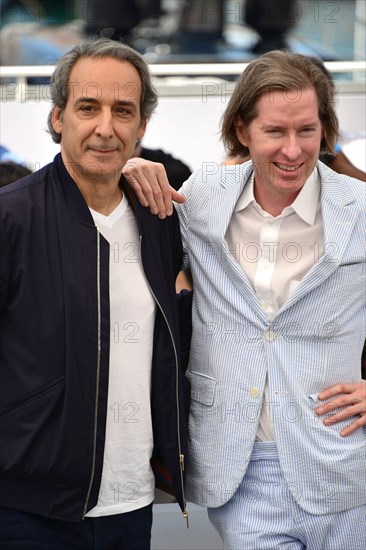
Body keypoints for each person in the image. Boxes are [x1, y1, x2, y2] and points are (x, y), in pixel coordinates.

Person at [124, 51, 366, 549]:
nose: (294, 150)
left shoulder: (359, 209)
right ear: (242, 129)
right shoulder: (204, 197)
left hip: (344, 465)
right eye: (276, 131)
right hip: (240, 467)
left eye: (308, 130)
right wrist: (126, 168)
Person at [0, 38, 190, 549]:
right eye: (88, 107)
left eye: (123, 111)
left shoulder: (161, 220)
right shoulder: (11, 218)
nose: (106, 127)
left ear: (142, 128)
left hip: (133, 503)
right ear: (59, 117)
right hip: (29, 510)